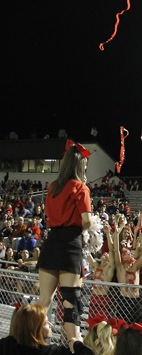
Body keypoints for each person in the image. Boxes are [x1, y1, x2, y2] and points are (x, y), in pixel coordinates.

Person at [36, 143, 94, 344]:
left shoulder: (53, 186)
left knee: (44, 301)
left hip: (51, 242)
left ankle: (29, 340)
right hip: (70, 244)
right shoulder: (80, 187)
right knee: (71, 301)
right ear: (80, 166)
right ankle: (73, 344)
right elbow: (86, 221)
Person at [0, 304, 92, 354]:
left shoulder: (6, 345)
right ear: (35, 328)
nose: (50, 325)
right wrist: (78, 345)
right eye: (46, 323)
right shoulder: (53, 352)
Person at [86, 224, 116, 320]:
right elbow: (87, 255)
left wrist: (108, 234)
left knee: (102, 325)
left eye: (106, 254)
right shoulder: (96, 266)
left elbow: (112, 251)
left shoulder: (109, 268)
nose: (105, 253)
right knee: (91, 324)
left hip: (103, 298)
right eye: (104, 253)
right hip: (94, 297)